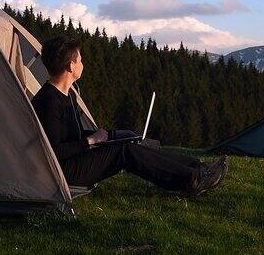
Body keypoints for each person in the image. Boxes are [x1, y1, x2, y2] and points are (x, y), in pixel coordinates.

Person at [31, 35, 227, 196]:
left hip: (73, 160)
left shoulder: (66, 95)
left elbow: (69, 135)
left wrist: (105, 136)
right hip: (62, 171)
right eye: (79, 60)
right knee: (124, 151)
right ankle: (192, 180)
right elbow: (53, 151)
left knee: (128, 138)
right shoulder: (48, 101)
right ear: (70, 67)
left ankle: (198, 168)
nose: (82, 64)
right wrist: (91, 141)